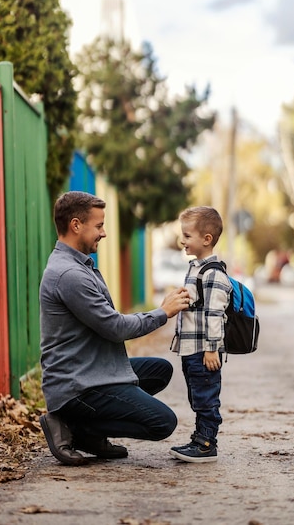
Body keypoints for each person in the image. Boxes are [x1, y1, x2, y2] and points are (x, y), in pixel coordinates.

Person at [39, 191, 190, 466]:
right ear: (76, 225)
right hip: (77, 385)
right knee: (162, 422)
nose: (104, 233)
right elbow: (115, 327)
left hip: (93, 369)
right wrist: (162, 313)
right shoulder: (69, 274)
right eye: (98, 226)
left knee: (160, 370)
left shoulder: (79, 264)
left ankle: (89, 432)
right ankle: (75, 426)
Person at [169, 206, 232, 463]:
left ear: (206, 239)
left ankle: (207, 444)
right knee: (197, 395)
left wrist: (211, 348)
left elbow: (215, 314)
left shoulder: (213, 273)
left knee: (206, 397)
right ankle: (199, 438)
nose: (182, 241)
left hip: (202, 351)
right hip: (190, 349)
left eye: (187, 235)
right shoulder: (196, 268)